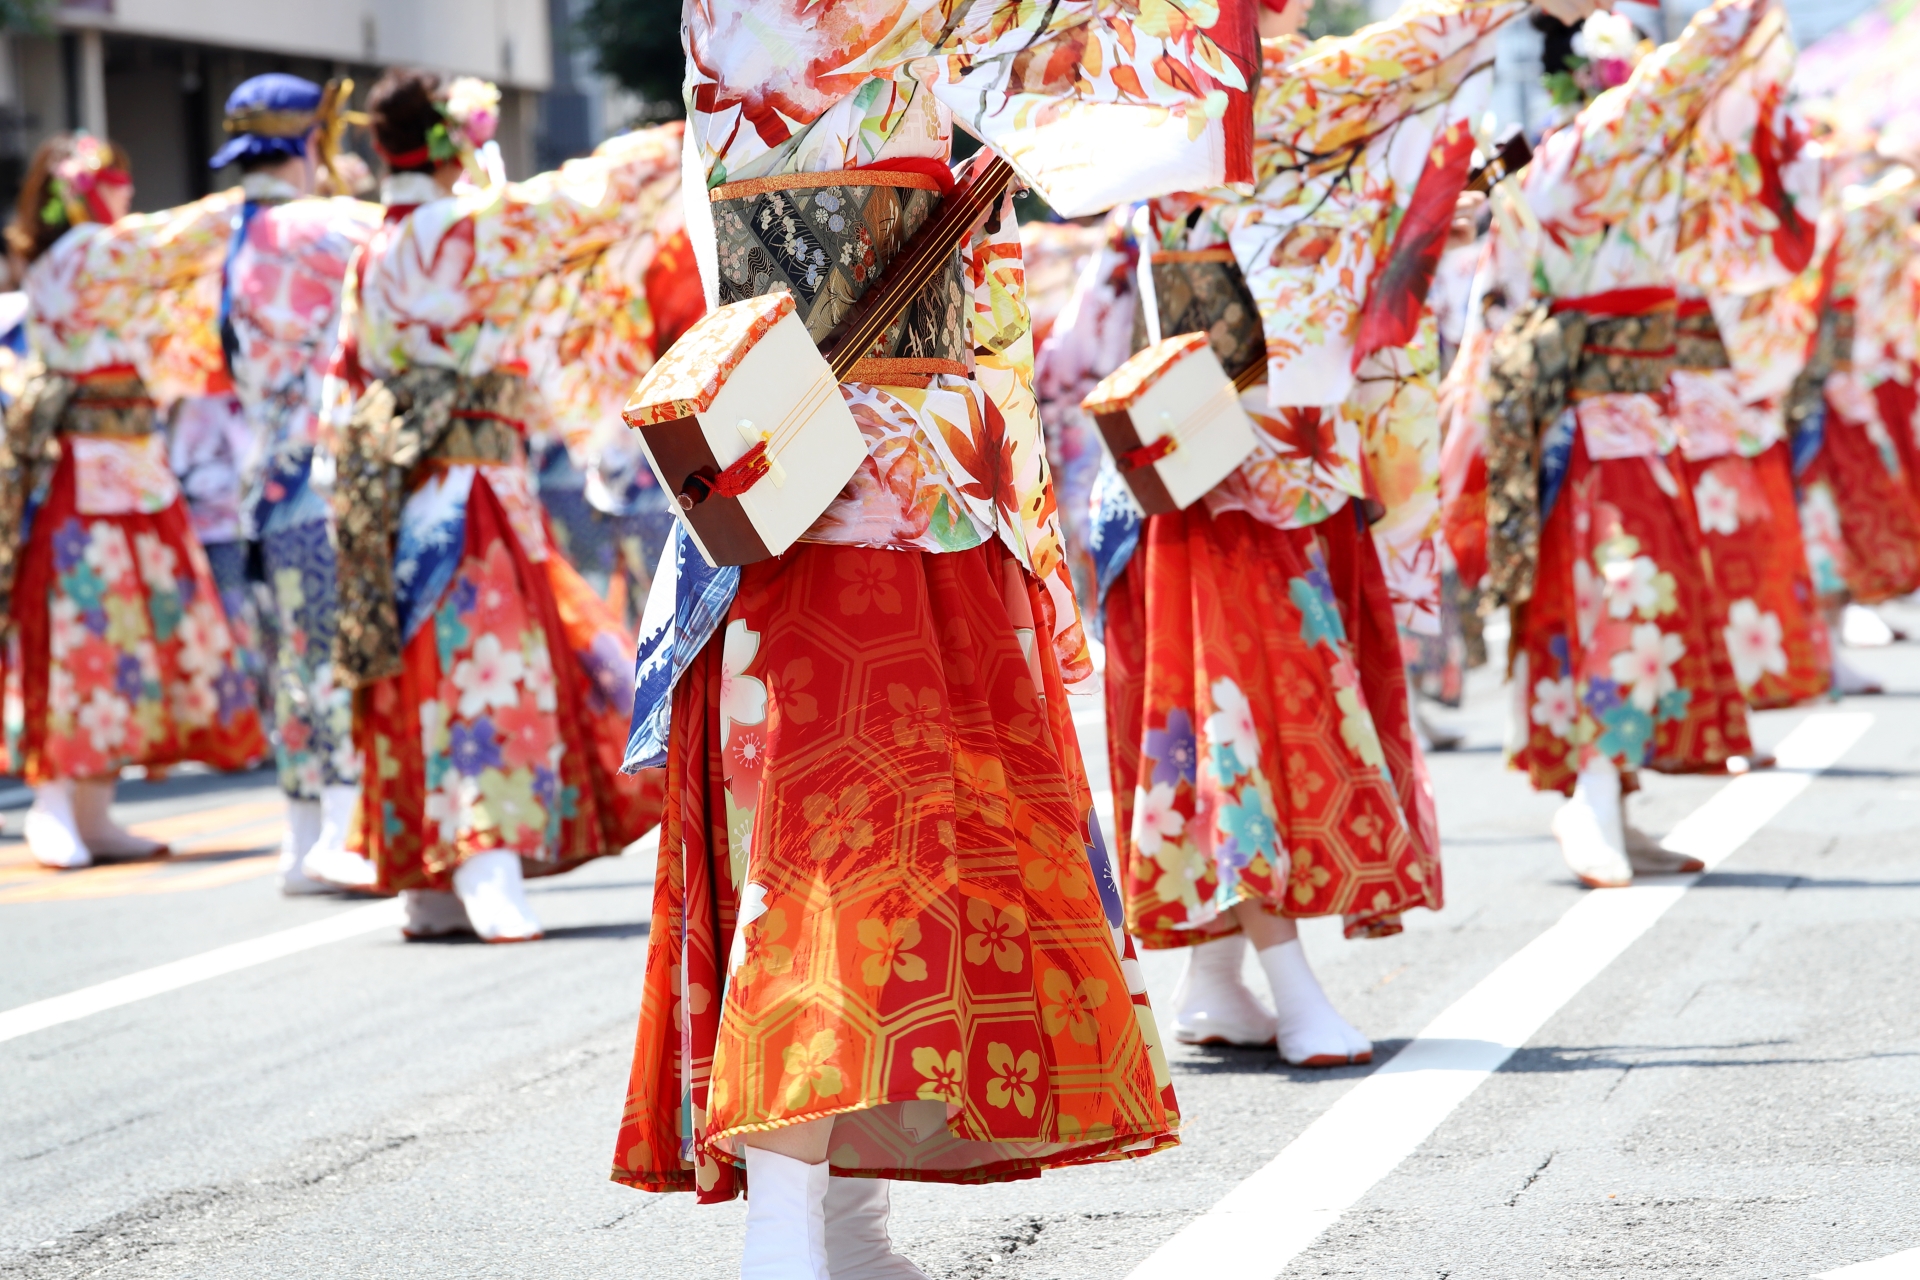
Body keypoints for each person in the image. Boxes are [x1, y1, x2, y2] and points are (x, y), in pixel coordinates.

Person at [610, 0, 1263, 1272]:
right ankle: (798, 1241)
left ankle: (832, 1232)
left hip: (777, 462)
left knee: (798, 852)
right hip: (901, 476)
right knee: (846, 865)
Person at [1093, 0, 1595, 1069]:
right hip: (1235, 451)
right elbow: (1411, 58)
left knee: (1227, 700)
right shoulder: (1237, 82)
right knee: (1250, 705)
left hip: (1226, 436)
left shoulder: (1158, 77)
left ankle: (1216, 975)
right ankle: (1287, 977)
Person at [1458, 0, 1815, 888]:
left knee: (1636, 597)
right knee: (1611, 598)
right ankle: (1589, 792)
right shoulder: (1587, 153)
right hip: (1590, 425)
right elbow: (1698, 61)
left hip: (1630, 416)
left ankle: (1614, 792)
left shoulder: (1588, 166)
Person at [322, 70, 672, 942]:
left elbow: (345, 378)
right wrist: (675, 141)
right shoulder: (468, 225)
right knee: (488, 663)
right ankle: (486, 863)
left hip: (396, 492)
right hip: (472, 489)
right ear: (452, 142)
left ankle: (428, 886)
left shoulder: (373, 245)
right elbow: (582, 205)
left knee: (417, 668)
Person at [0, 133, 268, 868]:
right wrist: (260, 199)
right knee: (81, 635)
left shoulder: (91, 255)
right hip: (83, 476)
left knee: (127, 642)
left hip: (130, 468)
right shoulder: (84, 253)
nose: (125, 187)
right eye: (112, 176)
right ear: (83, 191)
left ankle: (93, 811)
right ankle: (56, 798)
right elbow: (167, 244)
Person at [216, 73, 385, 894]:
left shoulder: (234, 234)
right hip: (327, 477)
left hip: (267, 487)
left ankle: (302, 837)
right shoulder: (324, 224)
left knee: (295, 660)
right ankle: (344, 833)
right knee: (337, 657)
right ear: (313, 141)